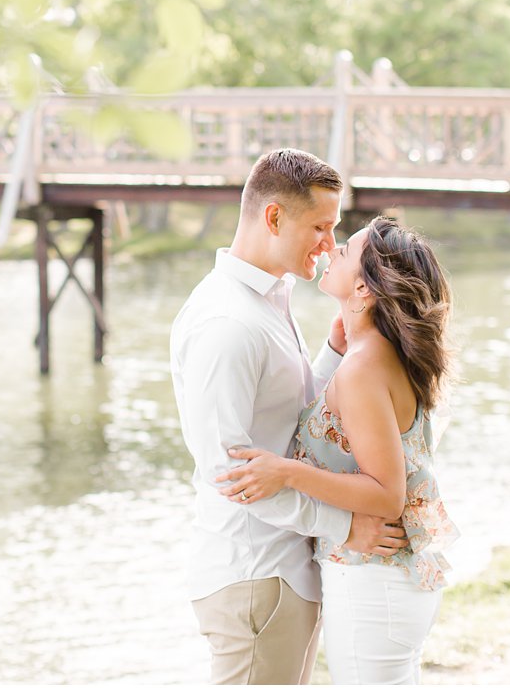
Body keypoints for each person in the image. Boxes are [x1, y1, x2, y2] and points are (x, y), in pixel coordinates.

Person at [171, 149, 411, 685]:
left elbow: (290, 422)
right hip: (255, 573)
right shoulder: (227, 323)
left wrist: (329, 353)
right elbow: (230, 473)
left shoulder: (268, 300)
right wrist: (346, 526)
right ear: (274, 217)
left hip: (283, 571)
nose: (330, 245)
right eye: (321, 227)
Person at [216, 215, 458, 685]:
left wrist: (287, 472)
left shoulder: (365, 367)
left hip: (375, 580)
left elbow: (387, 494)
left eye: (346, 250)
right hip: (388, 579)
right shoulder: (373, 355)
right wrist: (333, 349)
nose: (332, 250)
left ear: (364, 289)